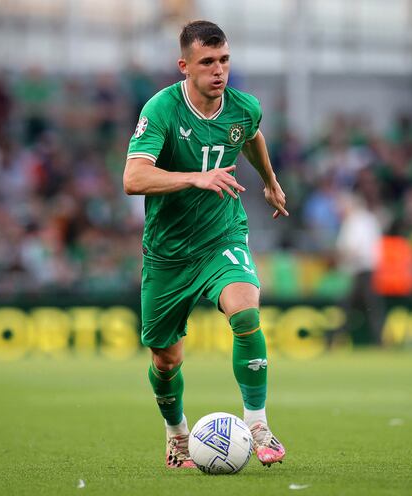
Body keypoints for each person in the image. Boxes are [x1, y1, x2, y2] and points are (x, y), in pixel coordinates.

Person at [122, 20, 289, 469]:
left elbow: (250, 135)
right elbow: (133, 178)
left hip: (222, 236)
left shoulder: (243, 106)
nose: (219, 71)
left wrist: (270, 180)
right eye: (208, 62)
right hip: (168, 252)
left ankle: (257, 424)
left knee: (246, 308)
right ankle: (177, 436)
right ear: (184, 67)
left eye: (225, 61)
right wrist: (195, 177)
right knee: (165, 359)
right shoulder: (160, 110)